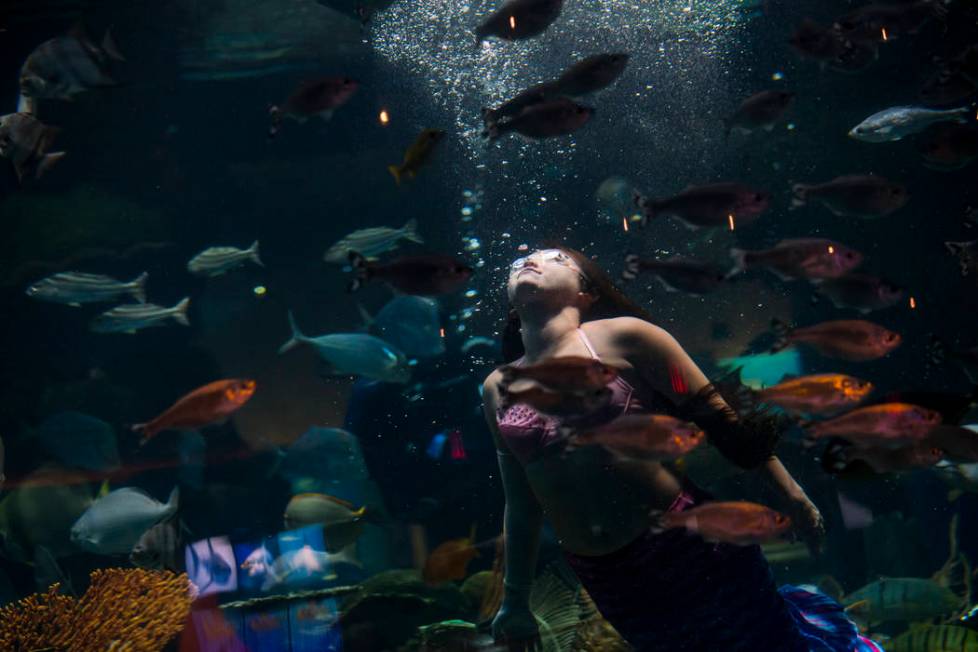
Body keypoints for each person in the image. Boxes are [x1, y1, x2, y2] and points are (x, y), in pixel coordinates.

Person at [482, 246, 883, 652]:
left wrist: (792, 495)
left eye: (557, 259)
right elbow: (520, 502)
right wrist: (514, 601)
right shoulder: (496, 387)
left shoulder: (626, 337)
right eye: (519, 263)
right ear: (512, 304)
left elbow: (721, 419)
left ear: (587, 294)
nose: (530, 261)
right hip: (608, 577)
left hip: (688, 547)